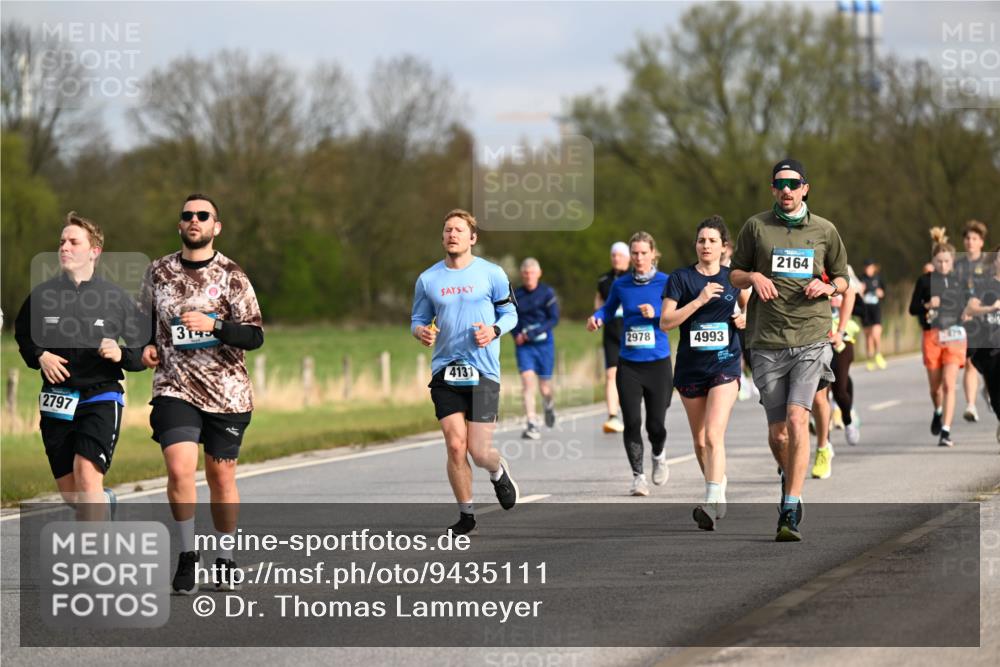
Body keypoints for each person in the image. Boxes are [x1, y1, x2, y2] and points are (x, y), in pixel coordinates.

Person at [140, 194, 264, 593]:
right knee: (179, 469)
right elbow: (142, 322)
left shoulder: (232, 274)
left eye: (202, 216)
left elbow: (254, 335)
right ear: (180, 225)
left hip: (227, 394)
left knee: (220, 478)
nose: (194, 220)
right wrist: (143, 347)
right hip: (174, 387)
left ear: (216, 226)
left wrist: (215, 326)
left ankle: (225, 557)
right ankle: (188, 554)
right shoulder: (158, 271)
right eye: (187, 215)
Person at [729, 159, 849, 542]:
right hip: (766, 341)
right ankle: (790, 472)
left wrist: (829, 288)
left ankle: (791, 507)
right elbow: (734, 272)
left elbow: (844, 277)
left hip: (811, 337)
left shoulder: (825, 230)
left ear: (805, 188)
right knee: (779, 434)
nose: (786, 190)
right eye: (780, 184)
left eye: (793, 184)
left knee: (799, 419)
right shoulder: (756, 227)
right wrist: (754, 276)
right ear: (773, 189)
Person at [14, 212, 148, 520]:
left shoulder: (115, 298)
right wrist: (40, 355)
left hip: (100, 395)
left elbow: (144, 349)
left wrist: (121, 354)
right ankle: (104, 502)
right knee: (75, 494)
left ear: (94, 251)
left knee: (87, 476)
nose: (64, 247)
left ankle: (93, 562)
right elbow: (23, 336)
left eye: (74, 242)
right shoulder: (42, 296)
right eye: (62, 241)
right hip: (57, 401)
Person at [411, 209, 520, 536]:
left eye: (458, 230)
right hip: (445, 371)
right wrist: (422, 333)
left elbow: (512, 313)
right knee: (455, 445)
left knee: (479, 450)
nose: (452, 235)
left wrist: (494, 331)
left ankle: (497, 470)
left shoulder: (492, 273)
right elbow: (417, 320)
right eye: (447, 230)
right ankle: (466, 514)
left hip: (483, 371)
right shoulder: (428, 279)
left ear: (472, 238)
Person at [660, 216, 748, 530]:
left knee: (713, 434)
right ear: (696, 245)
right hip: (690, 368)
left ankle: (710, 501)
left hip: (725, 364)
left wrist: (744, 319)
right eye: (701, 240)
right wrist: (697, 301)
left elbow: (748, 308)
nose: (706, 245)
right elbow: (666, 322)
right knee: (699, 442)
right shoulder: (680, 278)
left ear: (723, 246)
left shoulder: (733, 278)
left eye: (712, 240)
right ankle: (718, 486)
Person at [587, 232, 672, 497]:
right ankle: (638, 477)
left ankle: (658, 454)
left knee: (655, 425)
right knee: (632, 421)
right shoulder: (621, 284)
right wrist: (597, 317)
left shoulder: (666, 282)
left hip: (658, 363)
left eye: (643, 253)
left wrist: (656, 313)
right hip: (630, 364)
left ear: (653, 254)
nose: (638, 258)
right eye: (634, 253)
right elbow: (608, 309)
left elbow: (676, 314)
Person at [908, 227, 967, 447]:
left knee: (950, 385)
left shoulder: (959, 281)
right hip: (932, 335)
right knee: (936, 388)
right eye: (939, 261)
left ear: (952, 262)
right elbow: (912, 309)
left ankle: (946, 430)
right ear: (933, 261)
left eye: (947, 261)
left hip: (955, 336)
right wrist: (926, 305)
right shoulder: (924, 281)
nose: (943, 265)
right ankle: (938, 410)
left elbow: (967, 305)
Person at [811, 271, 862, 480]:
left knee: (840, 390)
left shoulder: (841, 270)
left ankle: (849, 421)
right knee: (821, 396)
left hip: (841, 341)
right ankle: (826, 445)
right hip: (815, 340)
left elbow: (853, 293)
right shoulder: (806, 267)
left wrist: (840, 330)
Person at [511, 258, 560, 439]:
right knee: (527, 382)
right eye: (526, 273)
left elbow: (554, 319)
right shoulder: (516, 295)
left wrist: (534, 332)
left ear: (538, 274)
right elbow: (510, 317)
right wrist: (516, 334)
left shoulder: (547, 293)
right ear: (522, 275)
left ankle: (548, 405)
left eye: (532, 273)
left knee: (545, 386)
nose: (529, 276)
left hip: (544, 344)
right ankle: (531, 423)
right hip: (525, 347)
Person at [962, 246, 1000, 445]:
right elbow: (970, 307)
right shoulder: (986, 286)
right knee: (995, 394)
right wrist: (991, 307)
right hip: (991, 347)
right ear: (995, 261)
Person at [954, 220, 989, 422]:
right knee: (970, 363)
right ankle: (970, 405)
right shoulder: (957, 266)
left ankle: (988, 389)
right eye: (967, 238)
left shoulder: (990, 264)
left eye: (974, 238)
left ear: (981, 242)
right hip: (966, 321)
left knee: (989, 365)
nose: (970, 242)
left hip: (988, 320)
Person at [595, 242, 630, 433]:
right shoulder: (604, 280)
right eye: (613, 255)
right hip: (611, 333)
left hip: (632, 333)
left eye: (620, 255)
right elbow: (598, 303)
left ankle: (632, 412)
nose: (616, 258)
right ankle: (612, 416)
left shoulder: (635, 277)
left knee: (629, 376)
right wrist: (597, 317)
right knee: (611, 374)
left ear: (628, 257)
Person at [858, 259, 887, 371]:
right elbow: (857, 294)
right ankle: (870, 358)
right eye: (866, 267)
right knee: (868, 336)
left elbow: (884, 292)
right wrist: (861, 290)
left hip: (876, 309)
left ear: (873, 268)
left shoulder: (878, 278)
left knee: (876, 334)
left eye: (869, 267)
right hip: (865, 310)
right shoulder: (861, 279)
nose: (868, 269)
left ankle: (878, 354)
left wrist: (881, 293)